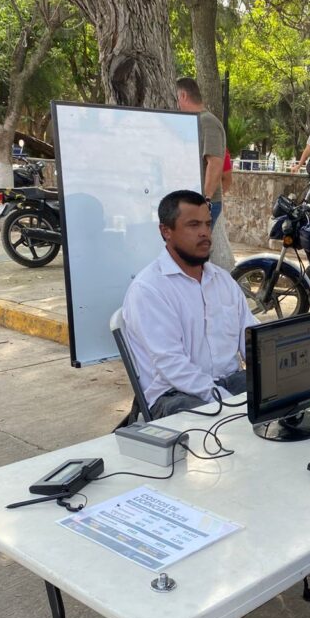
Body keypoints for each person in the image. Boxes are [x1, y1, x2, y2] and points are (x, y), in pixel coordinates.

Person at [121, 190, 257, 419]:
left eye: (207, 224)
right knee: (213, 423)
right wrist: (225, 401)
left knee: (286, 397)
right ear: (166, 231)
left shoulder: (223, 280)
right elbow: (172, 365)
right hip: (174, 394)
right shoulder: (149, 289)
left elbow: (252, 337)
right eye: (193, 225)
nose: (205, 232)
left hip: (230, 381)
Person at [175, 77, 226, 229]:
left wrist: (206, 200)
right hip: (192, 201)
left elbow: (215, 162)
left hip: (203, 203)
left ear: (183, 95)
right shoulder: (196, 121)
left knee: (194, 243)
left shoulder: (207, 122)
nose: (176, 105)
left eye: (176, 98)